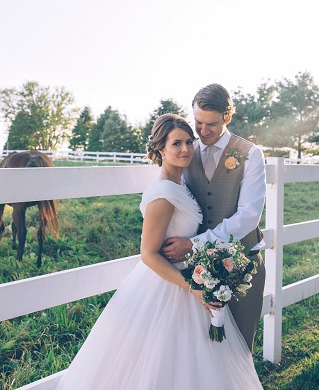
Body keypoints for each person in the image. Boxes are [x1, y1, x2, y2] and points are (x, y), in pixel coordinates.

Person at [55, 114, 263, 389]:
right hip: (168, 285)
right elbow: (148, 254)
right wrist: (193, 287)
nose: (187, 149)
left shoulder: (180, 183)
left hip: (188, 275)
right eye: (176, 143)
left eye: (189, 141)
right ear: (160, 149)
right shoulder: (164, 193)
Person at [160, 83, 267, 353]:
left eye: (212, 124)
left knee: (241, 347)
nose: (203, 131)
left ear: (227, 117)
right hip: (197, 271)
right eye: (198, 122)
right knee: (201, 351)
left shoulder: (250, 154)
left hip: (243, 265)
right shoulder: (186, 152)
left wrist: (194, 243)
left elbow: (248, 217)